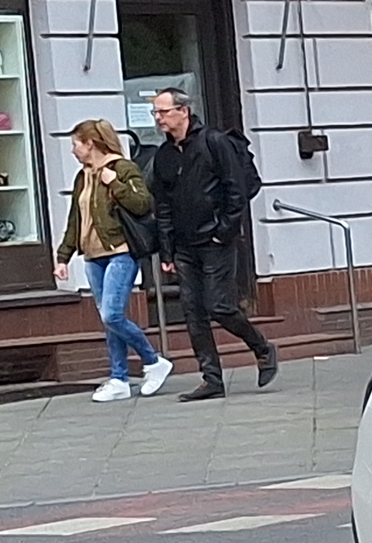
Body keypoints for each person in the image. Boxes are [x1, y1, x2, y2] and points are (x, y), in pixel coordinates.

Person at [147, 88, 276, 401]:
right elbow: (163, 205)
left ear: (184, 111)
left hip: (216, 240)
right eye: (156, 113)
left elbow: (237, 190)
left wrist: (224, 231)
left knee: (218, 305)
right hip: (184, 246)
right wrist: (167, 251)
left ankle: (262, 347)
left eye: (163, 112)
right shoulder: (163, 156)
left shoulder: (214, 142)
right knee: (193, 310)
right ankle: (211, 378)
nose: (159, 119)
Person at [53, 119, 175, 402]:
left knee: (112, 314)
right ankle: (118, 378)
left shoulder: (122, 168)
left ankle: (154, 361)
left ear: (90, 144)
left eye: (76, 144)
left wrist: (115, 184)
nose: (73, 151)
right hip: (93, 257)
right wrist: (63, 256)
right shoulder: (83, 176)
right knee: (109, 320)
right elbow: (76, 219)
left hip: (120, 251)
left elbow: (142, 203)